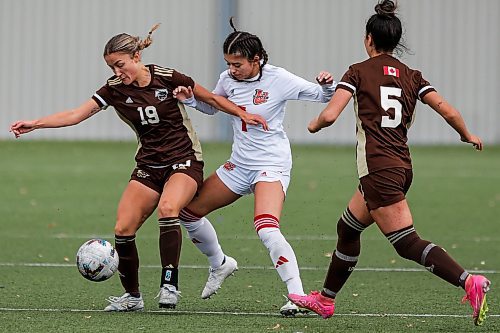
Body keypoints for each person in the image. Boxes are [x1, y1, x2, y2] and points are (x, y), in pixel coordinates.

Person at [9, 24, 267, 312]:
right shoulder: (114, 90)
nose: (118, 72)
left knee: (169, 208)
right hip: (148, 165)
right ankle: (132, 298)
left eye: (120, 65)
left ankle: (169, 284)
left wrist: (243, 114)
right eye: (112, 67)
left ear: (136, 57)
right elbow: (75, 114)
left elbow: (212, 99)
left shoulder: (168, 77)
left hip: (185, 160)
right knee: (123, 227)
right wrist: (36, 123)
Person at [287, 0, 490, 326]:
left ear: (369, 38)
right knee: (348, 228)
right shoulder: (412, 76)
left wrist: (313, 125)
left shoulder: (357, 71)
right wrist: (467, 134)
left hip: (378, 169)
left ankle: (469, 281)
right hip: (399, 168)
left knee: (406, 242)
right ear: (395, 41)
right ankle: (325, 300)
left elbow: (329, 114)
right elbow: (448, 110)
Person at [172, 18, 336, 316]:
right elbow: (214, 105)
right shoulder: (228, 79)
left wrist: (327, 85)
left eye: (237, 64)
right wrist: (192, 100)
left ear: (256, 60)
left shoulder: (278, 78)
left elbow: (321, 96)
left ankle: (297, 296)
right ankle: (220, 264)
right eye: (228, 64)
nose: (231, 70)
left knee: (266, 227)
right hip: (240, 163)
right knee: (188, 212)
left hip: (271, 163)